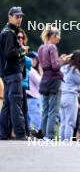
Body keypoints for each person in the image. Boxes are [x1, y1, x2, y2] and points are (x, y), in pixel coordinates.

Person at [0, 7, 29, 140]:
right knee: (16, 102)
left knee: (7, 104)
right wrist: (22, 50)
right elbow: (10, 53)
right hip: (12, 72)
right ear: (9, 16)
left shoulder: (7, 32)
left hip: (7, 73)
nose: (19, 19)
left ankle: (3, 133)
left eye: (21, 17)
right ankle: (20, 134)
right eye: (17, 16)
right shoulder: (9, 33)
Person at [38, 25, 70, 140]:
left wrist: (59, 59)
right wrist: (64, 60)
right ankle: (50, 136)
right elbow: (56, 66)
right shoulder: (52, 47)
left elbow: (46, 64)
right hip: (54, 81)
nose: (59, 38)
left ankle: (42, 135)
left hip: (44, 80)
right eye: (58, 36)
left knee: (45, 110)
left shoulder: (41, 48)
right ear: (53, 36)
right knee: (54, 110)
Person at [59, 50, 80, 141]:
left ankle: (62, 141)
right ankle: (67, 143)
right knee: (70, 122)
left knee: (63, 122)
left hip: (61, 95)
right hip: (70, 96)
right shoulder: (74, 70)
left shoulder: (63, 68)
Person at [18, 28, 32, 137]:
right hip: (17, 82)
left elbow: (28, 65)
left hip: (23, 83)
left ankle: (27, 131)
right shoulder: (16, 50)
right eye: (18, 37)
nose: (20, 39)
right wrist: (23, 52)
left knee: (25, 109)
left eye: (22, 37)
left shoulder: (21, 50)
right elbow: (27, 62)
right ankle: (22, 132)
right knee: (21, 109)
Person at [26, 52, 42, 131]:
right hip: (33, 98)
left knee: (28, 119)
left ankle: (28, 134)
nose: (36, 61)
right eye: (35, 59)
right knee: (36, 118)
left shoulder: (24, 69)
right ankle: (39, 135)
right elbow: (41, 82)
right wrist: (41, 70)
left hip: (26, 98)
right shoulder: (31, 71)